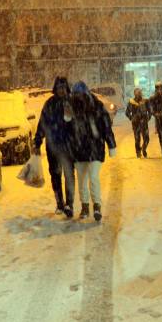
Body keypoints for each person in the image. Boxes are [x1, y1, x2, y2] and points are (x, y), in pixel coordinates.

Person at [68, 81, 116, 221]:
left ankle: (97, 206)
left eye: (80, 94)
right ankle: (84, 207)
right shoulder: (71, 108)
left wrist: (111, 145)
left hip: (95, 148)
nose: (78, 97)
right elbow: (67, 131)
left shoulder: (97, 107)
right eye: (76, 94)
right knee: (82, 180)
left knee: (93, 177)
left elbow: (106, 127)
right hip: (78, 150)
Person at [34, 76, 76, 217]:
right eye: (59, 88)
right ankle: (59, 204)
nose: (61, 90)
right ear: (55, 89)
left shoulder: (72, 102)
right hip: (53, 147)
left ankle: (69, 204)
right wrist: (37, 142)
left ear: (67, 88)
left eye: (64, 88)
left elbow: (79, 124)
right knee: (55, 175)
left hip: (69, 146)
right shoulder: (49, 104)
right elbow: (42, 124)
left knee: (69, 175)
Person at [125, 87, 150, 158]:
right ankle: (138, 152)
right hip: (136, 124)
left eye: (140, 93)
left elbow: (150, 110)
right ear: (134, 94)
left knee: (147, 139)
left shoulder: (145, 101)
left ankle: (143, 149)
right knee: (137, 139)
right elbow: (127, 112)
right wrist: (132, 118)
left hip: (144, 123)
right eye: (137, 93)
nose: (139, 94)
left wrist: (148, 117)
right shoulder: (132, 102)